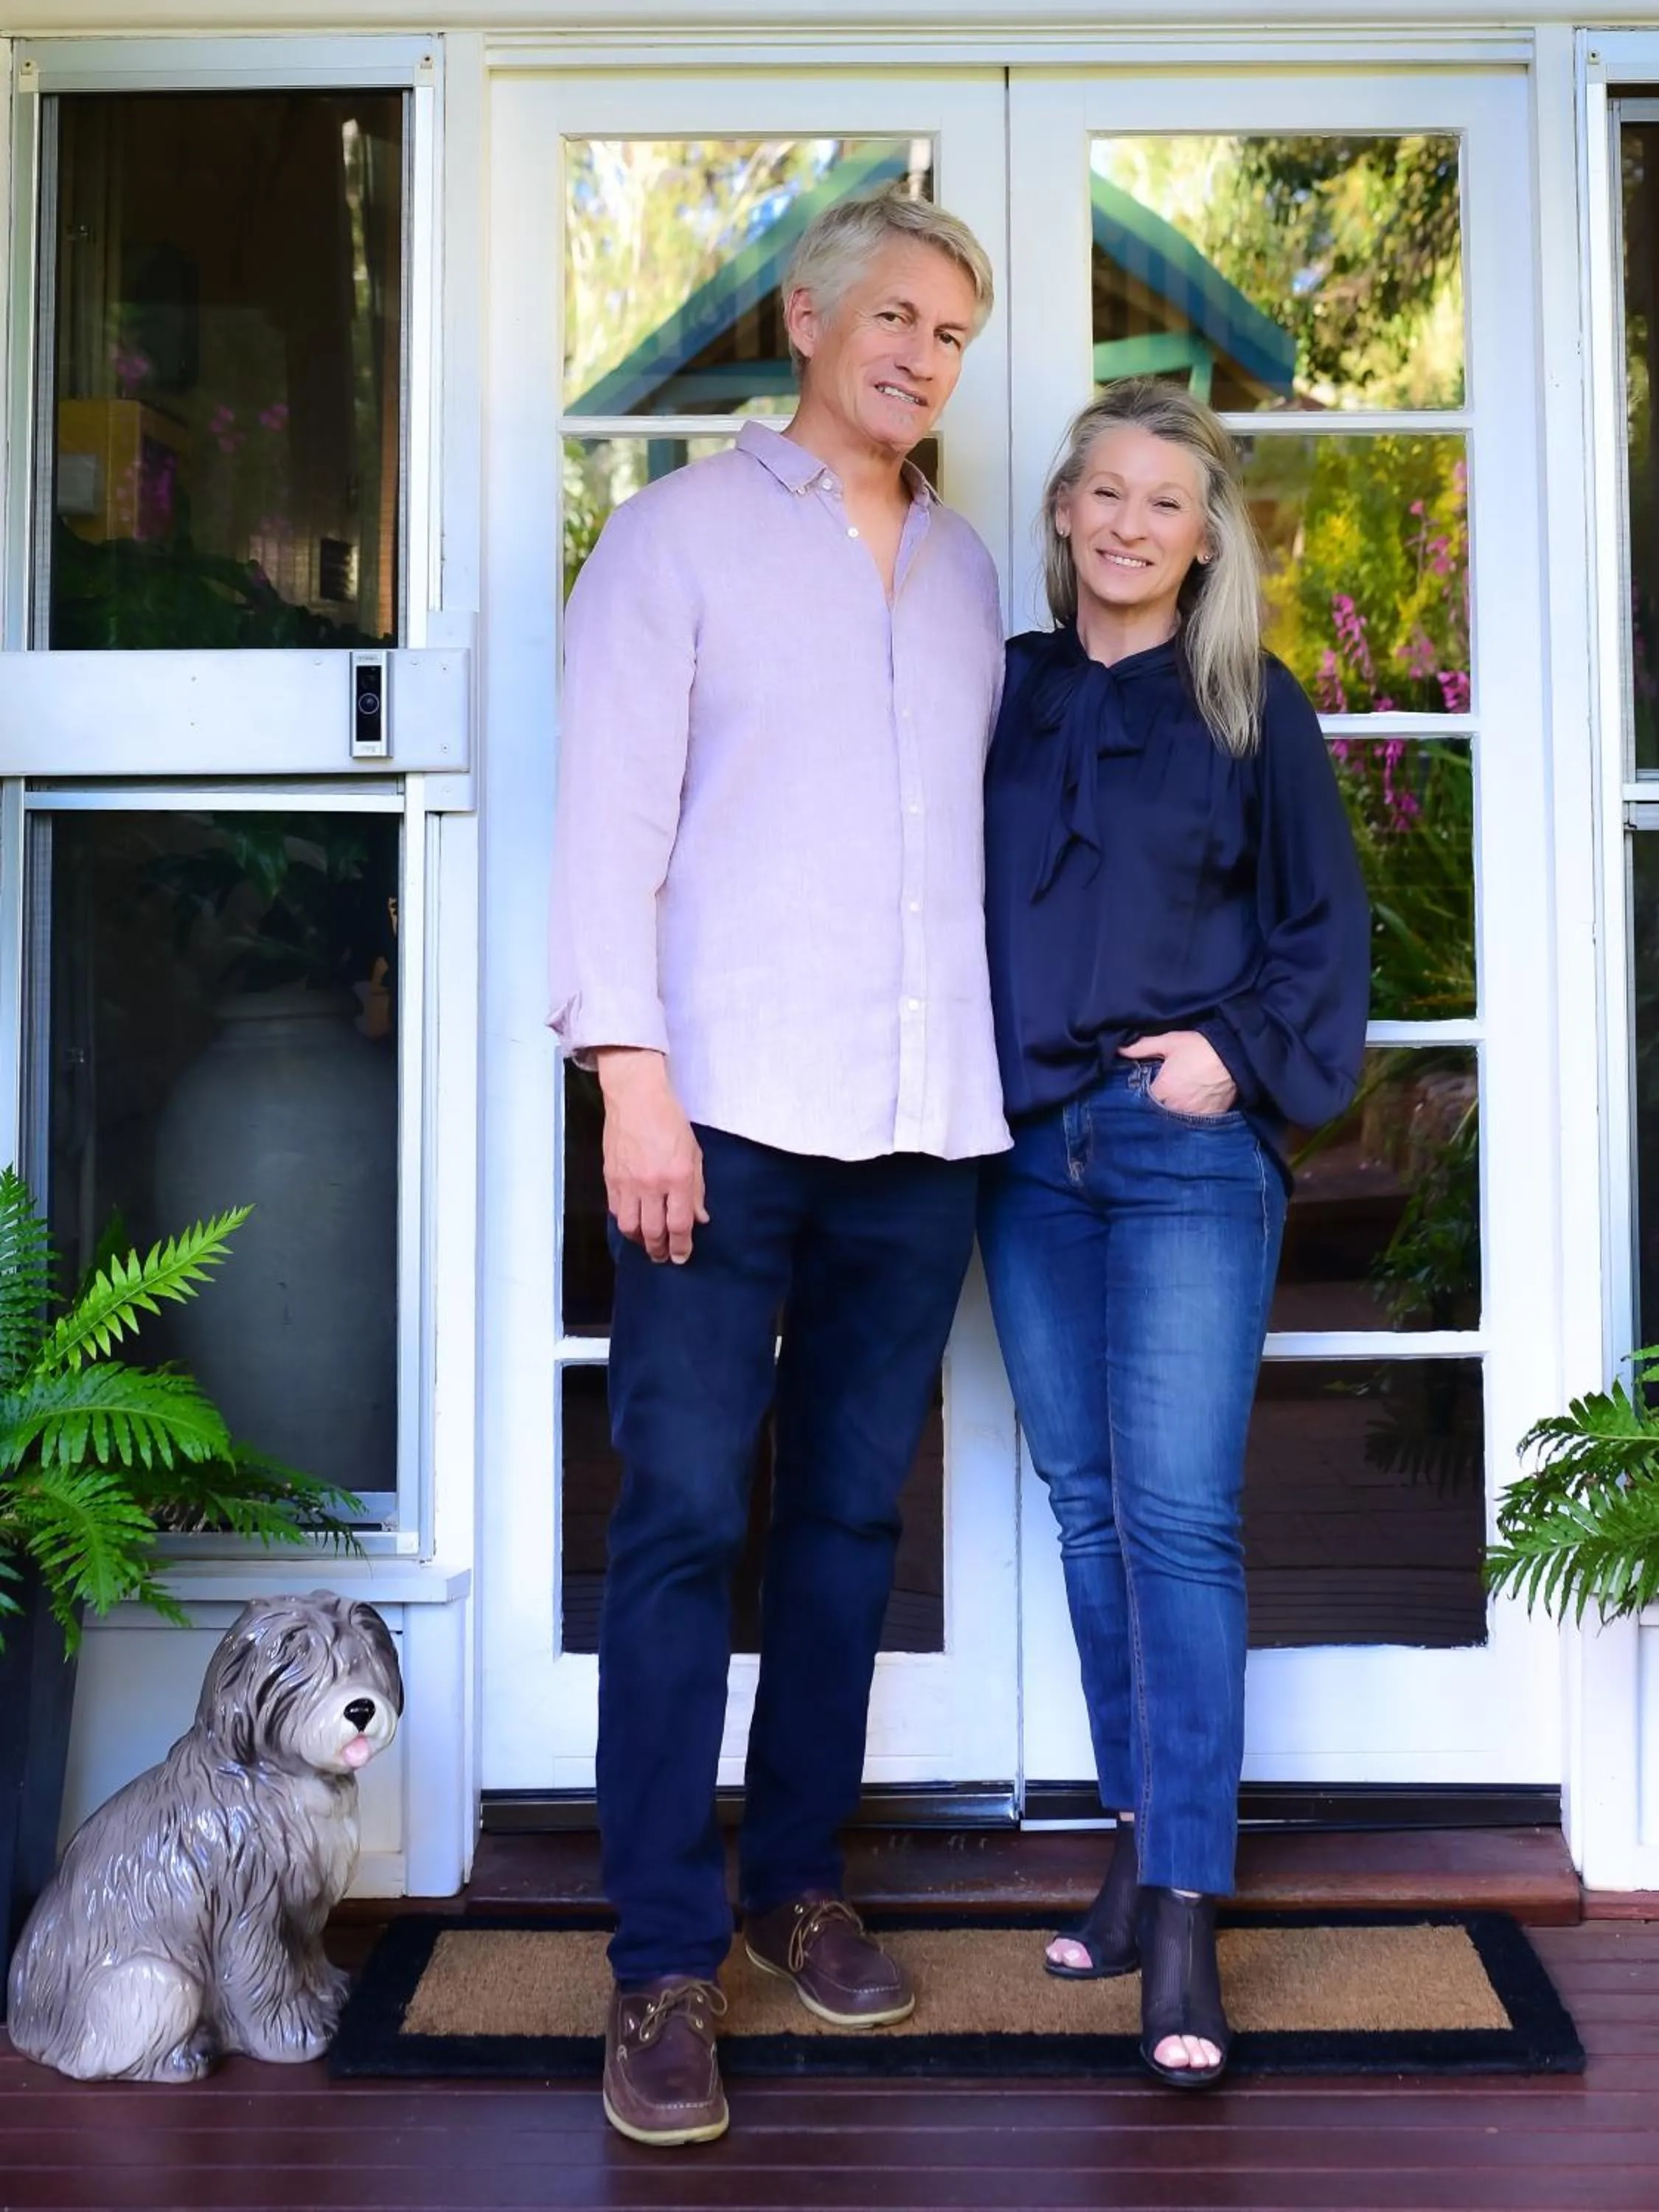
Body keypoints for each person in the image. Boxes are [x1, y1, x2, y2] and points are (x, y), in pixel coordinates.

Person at [548, 189, 1008, 2149]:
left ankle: (791, 1886)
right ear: (809, 316)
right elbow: (604, 829)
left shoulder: (976, 571)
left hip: (918, 1127)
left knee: (839, 1527)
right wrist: (627, 1079)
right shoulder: (672, 545)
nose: (921, 355)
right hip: (719, 1119)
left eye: (955, 336)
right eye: (896, 316)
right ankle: (657, 1967)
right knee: (675, 1529)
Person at [977, 379, 1371, 2090]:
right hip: (1017, 1152)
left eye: (1168, 503)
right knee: (1084, 1506)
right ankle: (1141, 1840)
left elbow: (1322, 929)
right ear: (1064, 508)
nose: (1133, 526)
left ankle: (1188, 1911)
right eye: (1107, 495)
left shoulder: (1249, 708)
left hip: (1180, 1148)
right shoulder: (989, 694)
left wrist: (1228, 1058)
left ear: (1205, 538)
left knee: (1181, 1523)